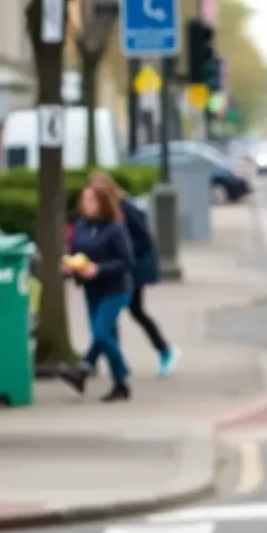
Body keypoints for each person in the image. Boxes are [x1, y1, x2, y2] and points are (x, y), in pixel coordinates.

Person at [88, 172, 179, 377]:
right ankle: (113, 362)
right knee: (124, 313)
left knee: (130, 310)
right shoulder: (105, 213)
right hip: (123, 268)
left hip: (135, 269)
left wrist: (123, 252)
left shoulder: (126, 209)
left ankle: (164, 350)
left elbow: (144, 239)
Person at [59, 180, 135, 402]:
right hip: (92, 290)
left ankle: (120, 371)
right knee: (106, 337)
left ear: (103, 202)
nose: (85, 204)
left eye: (91, 199)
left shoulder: (115, 227)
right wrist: (69, 267)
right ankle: (120, 386)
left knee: (101, 333)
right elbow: (75, 252)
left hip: (115, 289)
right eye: (83, 199)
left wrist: (99, 269)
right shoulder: (82, 226)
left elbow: (126, 261)